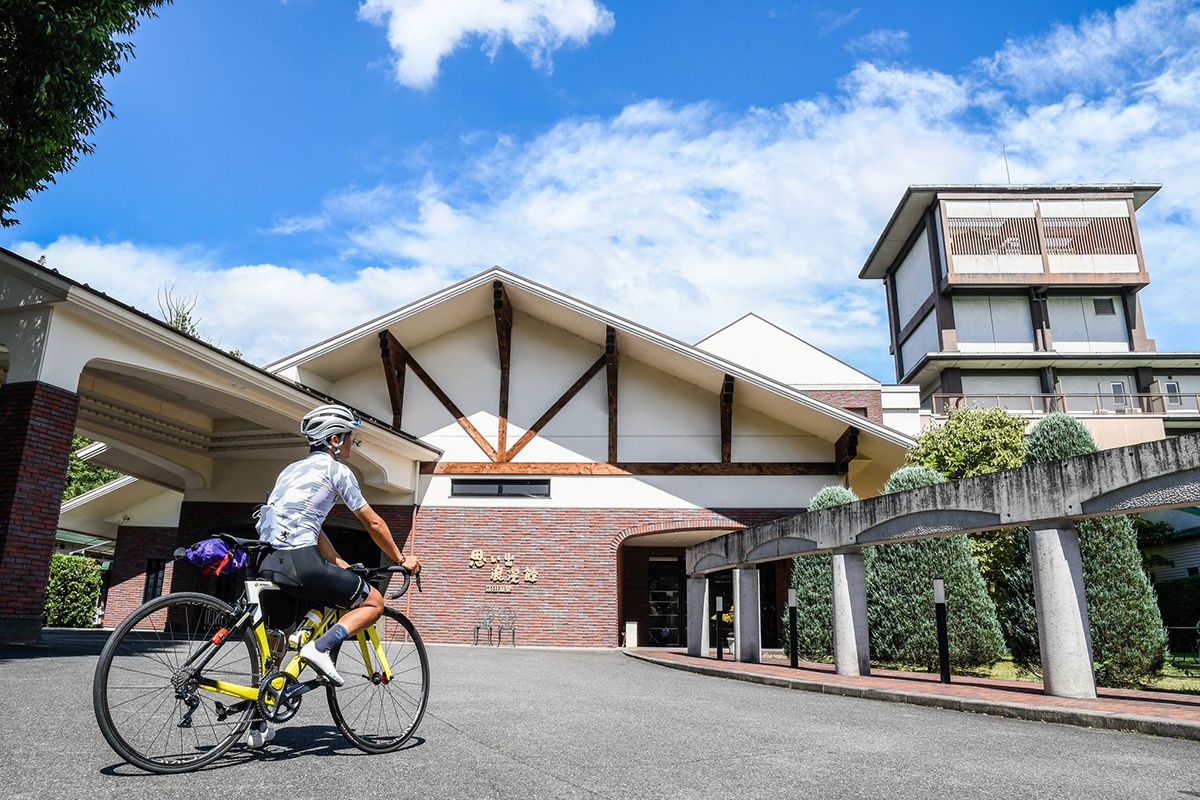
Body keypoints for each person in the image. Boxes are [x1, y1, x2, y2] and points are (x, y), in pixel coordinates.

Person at [249, 404, 420, 745]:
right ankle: (321, 648)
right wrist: (401, 558)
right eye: (349, 440)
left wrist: (340, 564)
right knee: (373, 602)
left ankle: (260, 722)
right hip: (301, 561)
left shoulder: (290, 472)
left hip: (268, 559)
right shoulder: (335, 470)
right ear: (334, 439)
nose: (349, 446)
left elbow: (313, 528)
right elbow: (372, 522)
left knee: (278, 641)